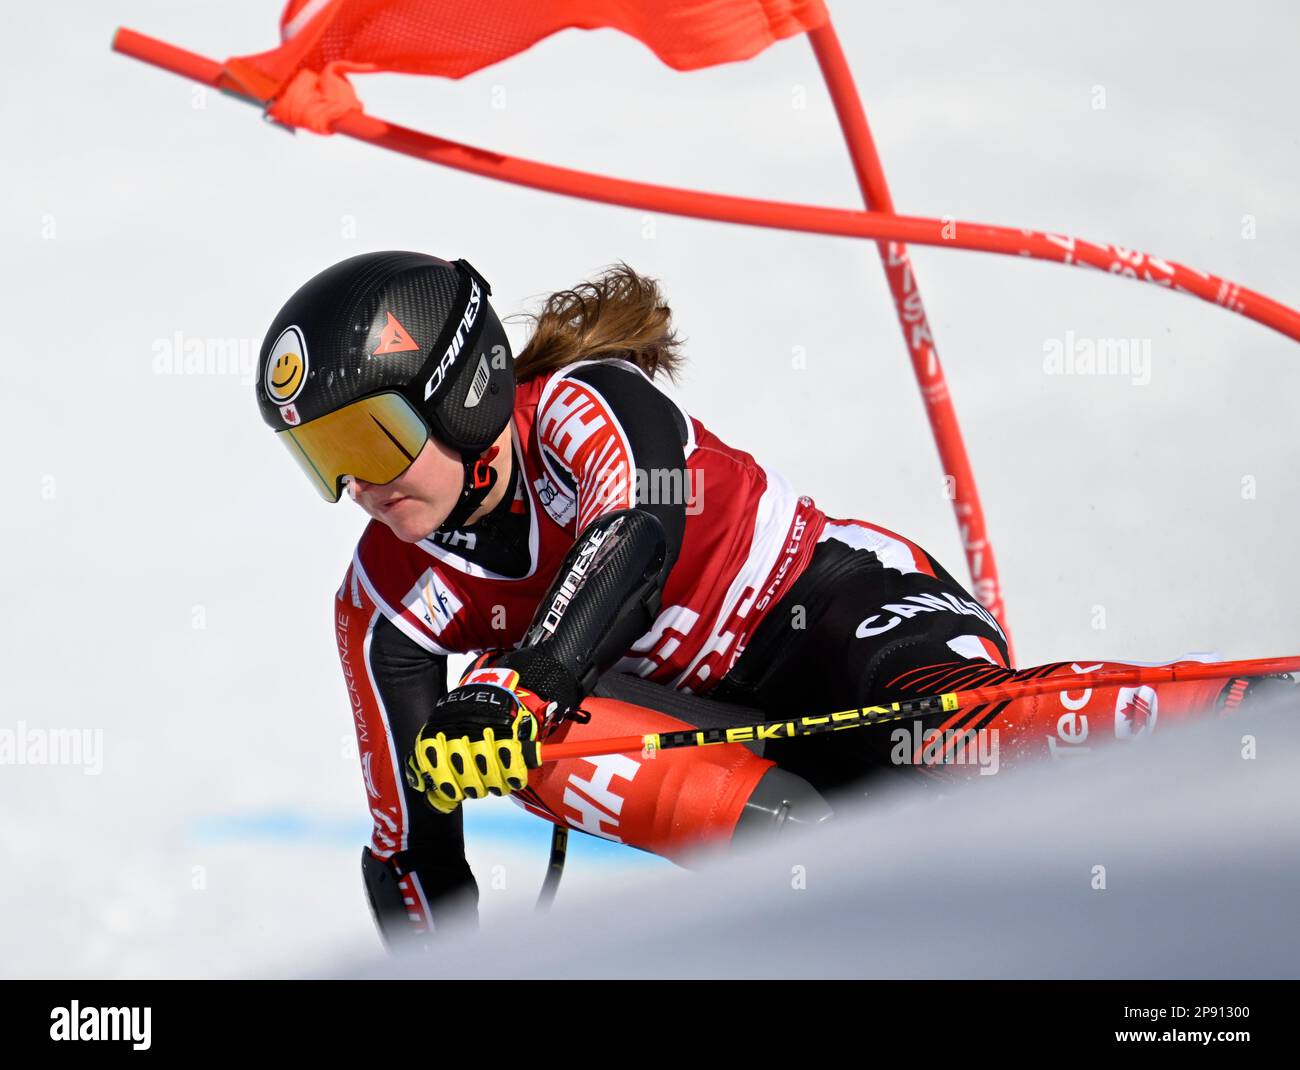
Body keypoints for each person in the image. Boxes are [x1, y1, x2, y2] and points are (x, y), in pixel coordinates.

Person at [255, 251, 1286, 947]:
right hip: (727, 744)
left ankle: (1256, 720)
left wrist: (520, 687)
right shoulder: (382, 601)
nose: (360, 487)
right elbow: (410, 855)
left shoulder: (588, 404)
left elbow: (635, 537)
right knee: (498, 742)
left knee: (956, 735)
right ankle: (828, 882)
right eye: (325, 459)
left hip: (843, 615)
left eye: (372, 437)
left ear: (463, 386)